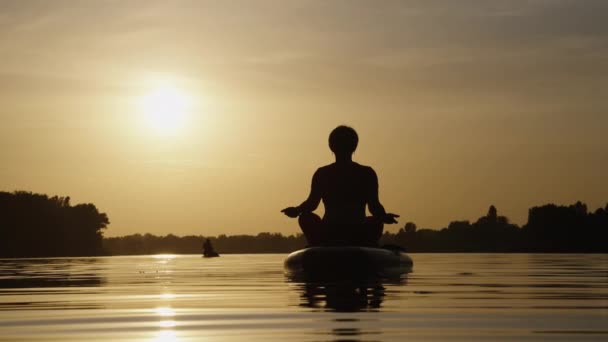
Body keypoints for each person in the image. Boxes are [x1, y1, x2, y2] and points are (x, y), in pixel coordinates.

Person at [282, 125, 399, 246]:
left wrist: (297, 210)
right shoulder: (366, 173)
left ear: (331, 147)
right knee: (305, 217)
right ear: (354, 146)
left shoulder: (323, 173)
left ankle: (320, 245)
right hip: (350, 232)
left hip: (337, 232)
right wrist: (383, 216)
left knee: (305, 217)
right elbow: (374, 207)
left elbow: (311, 204)